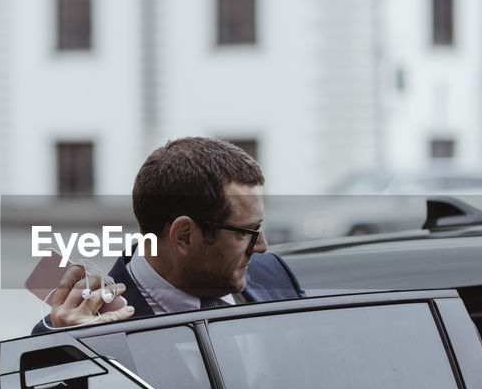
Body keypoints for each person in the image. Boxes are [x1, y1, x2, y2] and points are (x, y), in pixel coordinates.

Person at [35, 137, 302, 333]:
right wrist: (77, 349)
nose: (263, 246)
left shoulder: (276, 275)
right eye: (247, 232)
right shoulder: (76, 330)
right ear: (184, 236)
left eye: (260, 226)